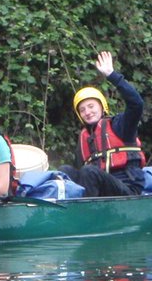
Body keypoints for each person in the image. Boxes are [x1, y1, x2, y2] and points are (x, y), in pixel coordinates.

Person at [58, 51, 147, 197]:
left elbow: (136, 104)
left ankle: (89, 214)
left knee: (89, 171)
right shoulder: (85, 138)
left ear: (102, 106)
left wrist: (112, 75)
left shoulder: (119, 125)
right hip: (99, 190)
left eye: (91, 106)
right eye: (82, 110)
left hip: (127, 189)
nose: (87, 112)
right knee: (64, 171)